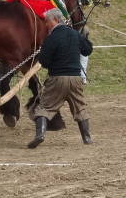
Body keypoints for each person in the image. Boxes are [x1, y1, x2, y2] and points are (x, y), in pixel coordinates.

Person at [28, 8, 93, 148]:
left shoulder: (51, 38)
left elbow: (44, 62)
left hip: (57, 78)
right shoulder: (75, 34)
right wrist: (84, 38)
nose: (45, 24)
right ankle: (87, 138)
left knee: (44, 107)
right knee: (80, 107)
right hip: (76, 78)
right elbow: (87, 50)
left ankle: (40, 135)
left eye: (47, 21)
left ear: (56, 20)